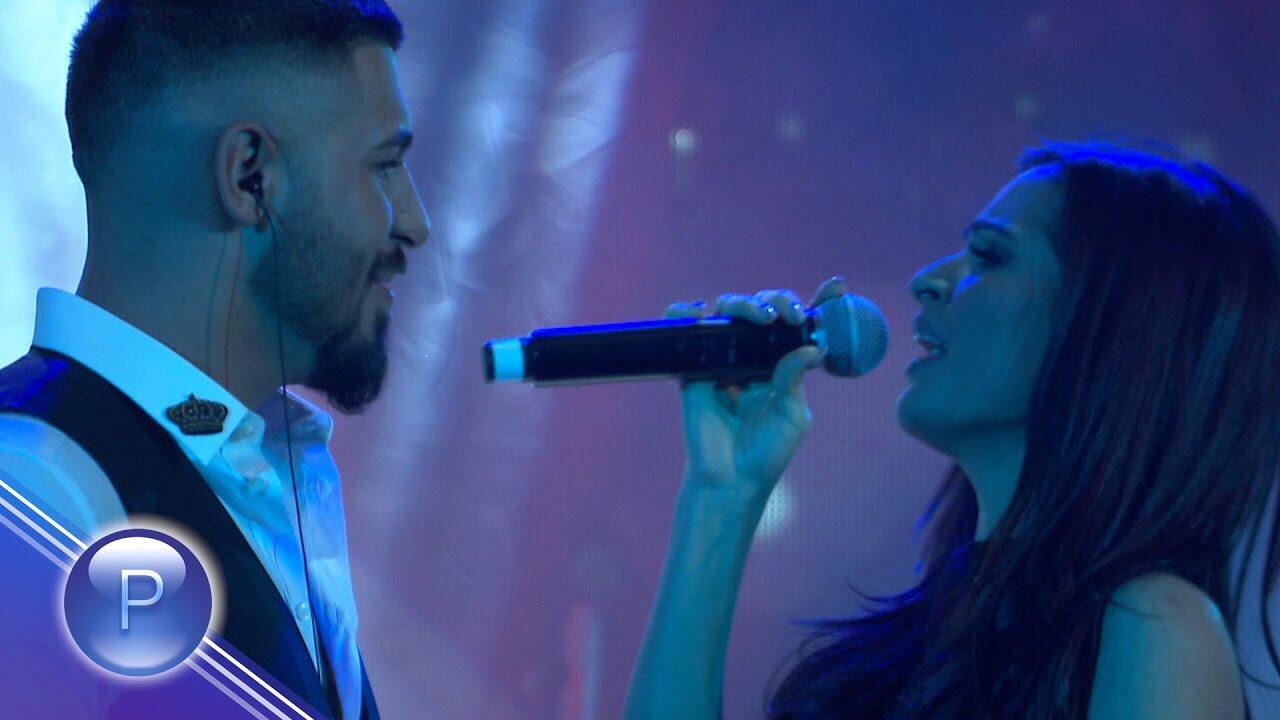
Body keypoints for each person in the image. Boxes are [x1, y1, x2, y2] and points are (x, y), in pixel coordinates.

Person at [624, 142, 1280, 719]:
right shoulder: (938, 629)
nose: (928, 281)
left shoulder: (1154, 626)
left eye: (988, 256)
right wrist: (721, 496)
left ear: (1112, 328)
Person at [0, 2, 429, 718]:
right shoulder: (35, 493)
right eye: (384, 167)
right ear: (249, 174)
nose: (415, 223)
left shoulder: (250, 477)